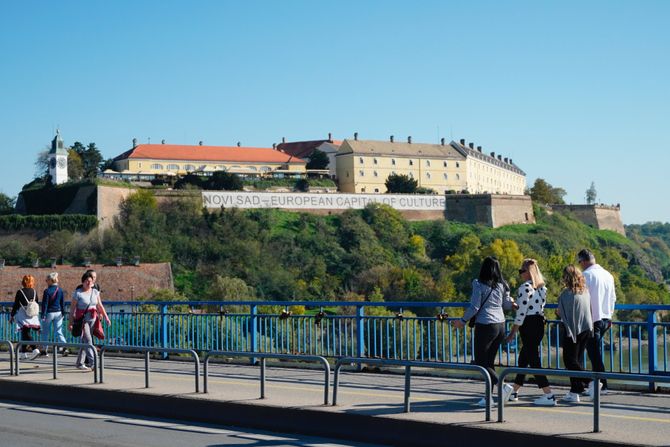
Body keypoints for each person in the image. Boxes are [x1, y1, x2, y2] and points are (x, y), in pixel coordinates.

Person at [452, 257, 516, 406]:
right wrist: (512, 303)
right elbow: (506, 305)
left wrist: (461, 321)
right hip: (500, 325)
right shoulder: (502, 285)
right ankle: (489, 398)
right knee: (489, 363)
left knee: (481, 361)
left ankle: (504, 386)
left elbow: (474, 307)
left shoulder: (478, 284)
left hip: (486, 325)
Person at [503, 259, 556, 406]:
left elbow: (521, 313)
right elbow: (531, 307)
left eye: (522, 271)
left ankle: (549, 394)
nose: (520, 274)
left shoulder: (525, 287)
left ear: (528, 272)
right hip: (539, 323)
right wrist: (518, 306)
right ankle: (514, 390)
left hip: (529, 325)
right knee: (524, 357)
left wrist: (512, 333)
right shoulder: (542, 289)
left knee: (533, 359)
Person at [578, 249, 616, 394]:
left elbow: (582, 298)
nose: (579, 265)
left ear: (584, 261)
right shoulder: (608, 275)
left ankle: (601, 385)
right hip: (605, 318)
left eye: (579, 262)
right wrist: (610, 316)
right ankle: (594, 384)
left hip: (592, 319)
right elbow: (613, 298)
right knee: (594, 352)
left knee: (593, 354)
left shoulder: (586, 275)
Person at [556, 265, 594, 402]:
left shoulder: (566, 294)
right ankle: (575, 391)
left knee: (569, 360)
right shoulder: (585, 291)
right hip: (586, 329)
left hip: (572, 330)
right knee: (576, 360)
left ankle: (591, 381)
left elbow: (560, 312)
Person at [68, 271, 111, 371]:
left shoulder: (95, 292)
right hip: (83, 320)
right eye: (87, 281)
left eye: (90, 281)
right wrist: (70, 323)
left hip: (93, 319)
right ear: (83, 282)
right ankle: (93, 363)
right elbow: (72, 309)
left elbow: (99, 305)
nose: (88, 283)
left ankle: (79, 363)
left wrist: (106, 317)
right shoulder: (78, 293)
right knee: (88, 340)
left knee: (85, 341)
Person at [9, 275, 41, 359]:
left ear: (23, 282)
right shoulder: (34, 291)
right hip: (32, 315)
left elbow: (16, 305)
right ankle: (23, 353)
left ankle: (35, 349)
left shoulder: (20, 292)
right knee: (24, 332)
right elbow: (36, 303)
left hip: (23, 315)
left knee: (26, 333)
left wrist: (12, 315)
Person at [40, 272, 67, 356]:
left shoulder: (47, 291)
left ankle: (45, 350)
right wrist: (63, 313)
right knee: (58, 331)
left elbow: (45, 304)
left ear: (51, 281)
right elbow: (62, 303)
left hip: (49, 313)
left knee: (45, 332)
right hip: (58, 313)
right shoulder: (60, 290)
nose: (46, 281)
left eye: (47, 280)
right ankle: (65, 347)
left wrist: (43, 315)